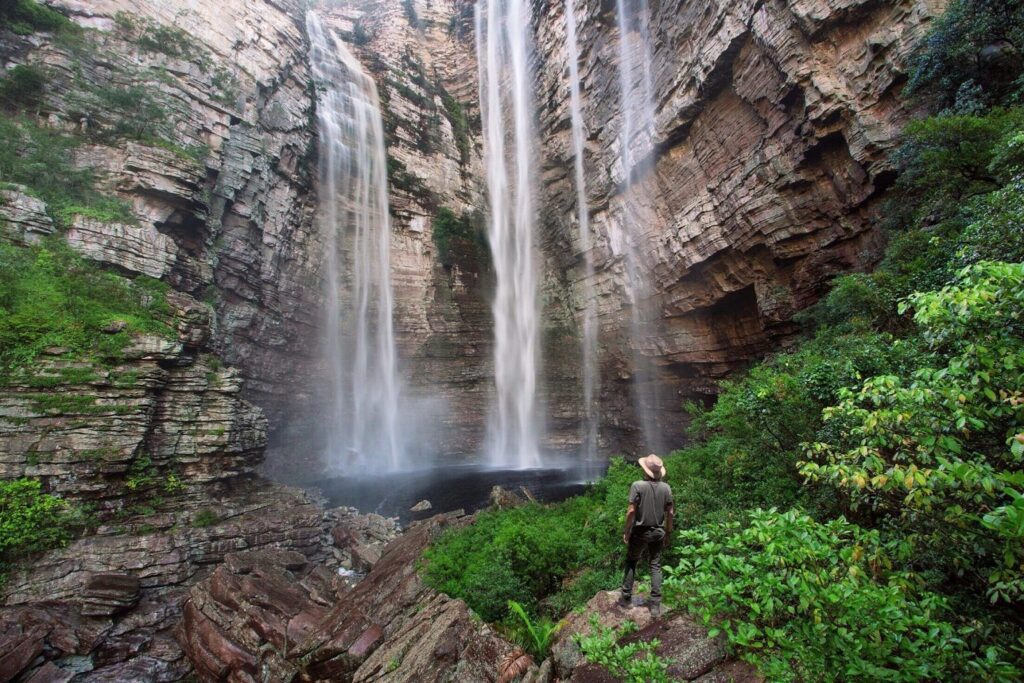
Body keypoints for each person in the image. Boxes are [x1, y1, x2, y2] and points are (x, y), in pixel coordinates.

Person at [619, 454, 673, 617]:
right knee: (655, 564)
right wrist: (668, 532)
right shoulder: (666, 488)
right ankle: (655, 605)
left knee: (632, 561)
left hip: (640, 532)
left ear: (645, 470)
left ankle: (626, 598)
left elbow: (631, 511)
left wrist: (627, 530)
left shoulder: (637, 486)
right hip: (658, 532)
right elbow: (670, 513)